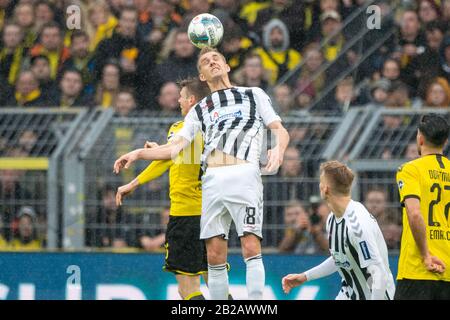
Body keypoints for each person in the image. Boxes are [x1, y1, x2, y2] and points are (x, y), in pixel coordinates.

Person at [113, 47, 290, 300]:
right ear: (203, 77)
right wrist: (137, 154)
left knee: (250, 247)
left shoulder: (253, 94)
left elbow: (279, 128)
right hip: (212, 182)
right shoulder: (200, 110)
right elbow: (176, 149)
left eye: (217, 58)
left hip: (244, 174)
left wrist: (279, 148)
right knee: (215, 256)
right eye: (206, 62)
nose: (212, 62)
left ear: (227, 66)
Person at [115, 77, 211, 300]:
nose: (178, 100)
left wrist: (141, 153)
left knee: (187, 288)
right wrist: (134, 182)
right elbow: (174, 157)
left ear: (192, 100)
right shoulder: (212, 128)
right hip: (210, 212)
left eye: (182, 96)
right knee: (216, 283)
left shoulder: (182, 127)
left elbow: (171, 154)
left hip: (186, 214)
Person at [282, 160, 396, 300]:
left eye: (321, 182)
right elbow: (341, 257)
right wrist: (305, 277)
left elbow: (379, 275)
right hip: (348, 294)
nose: (319, 185)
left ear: (326, 189)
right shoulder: (332, 219)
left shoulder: (358, 226)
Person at [394, 114, 450, 300]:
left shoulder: (410, 170)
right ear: (445, 141)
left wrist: (426, 255)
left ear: (420, 138)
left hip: (417, 270)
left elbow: (415, 213)